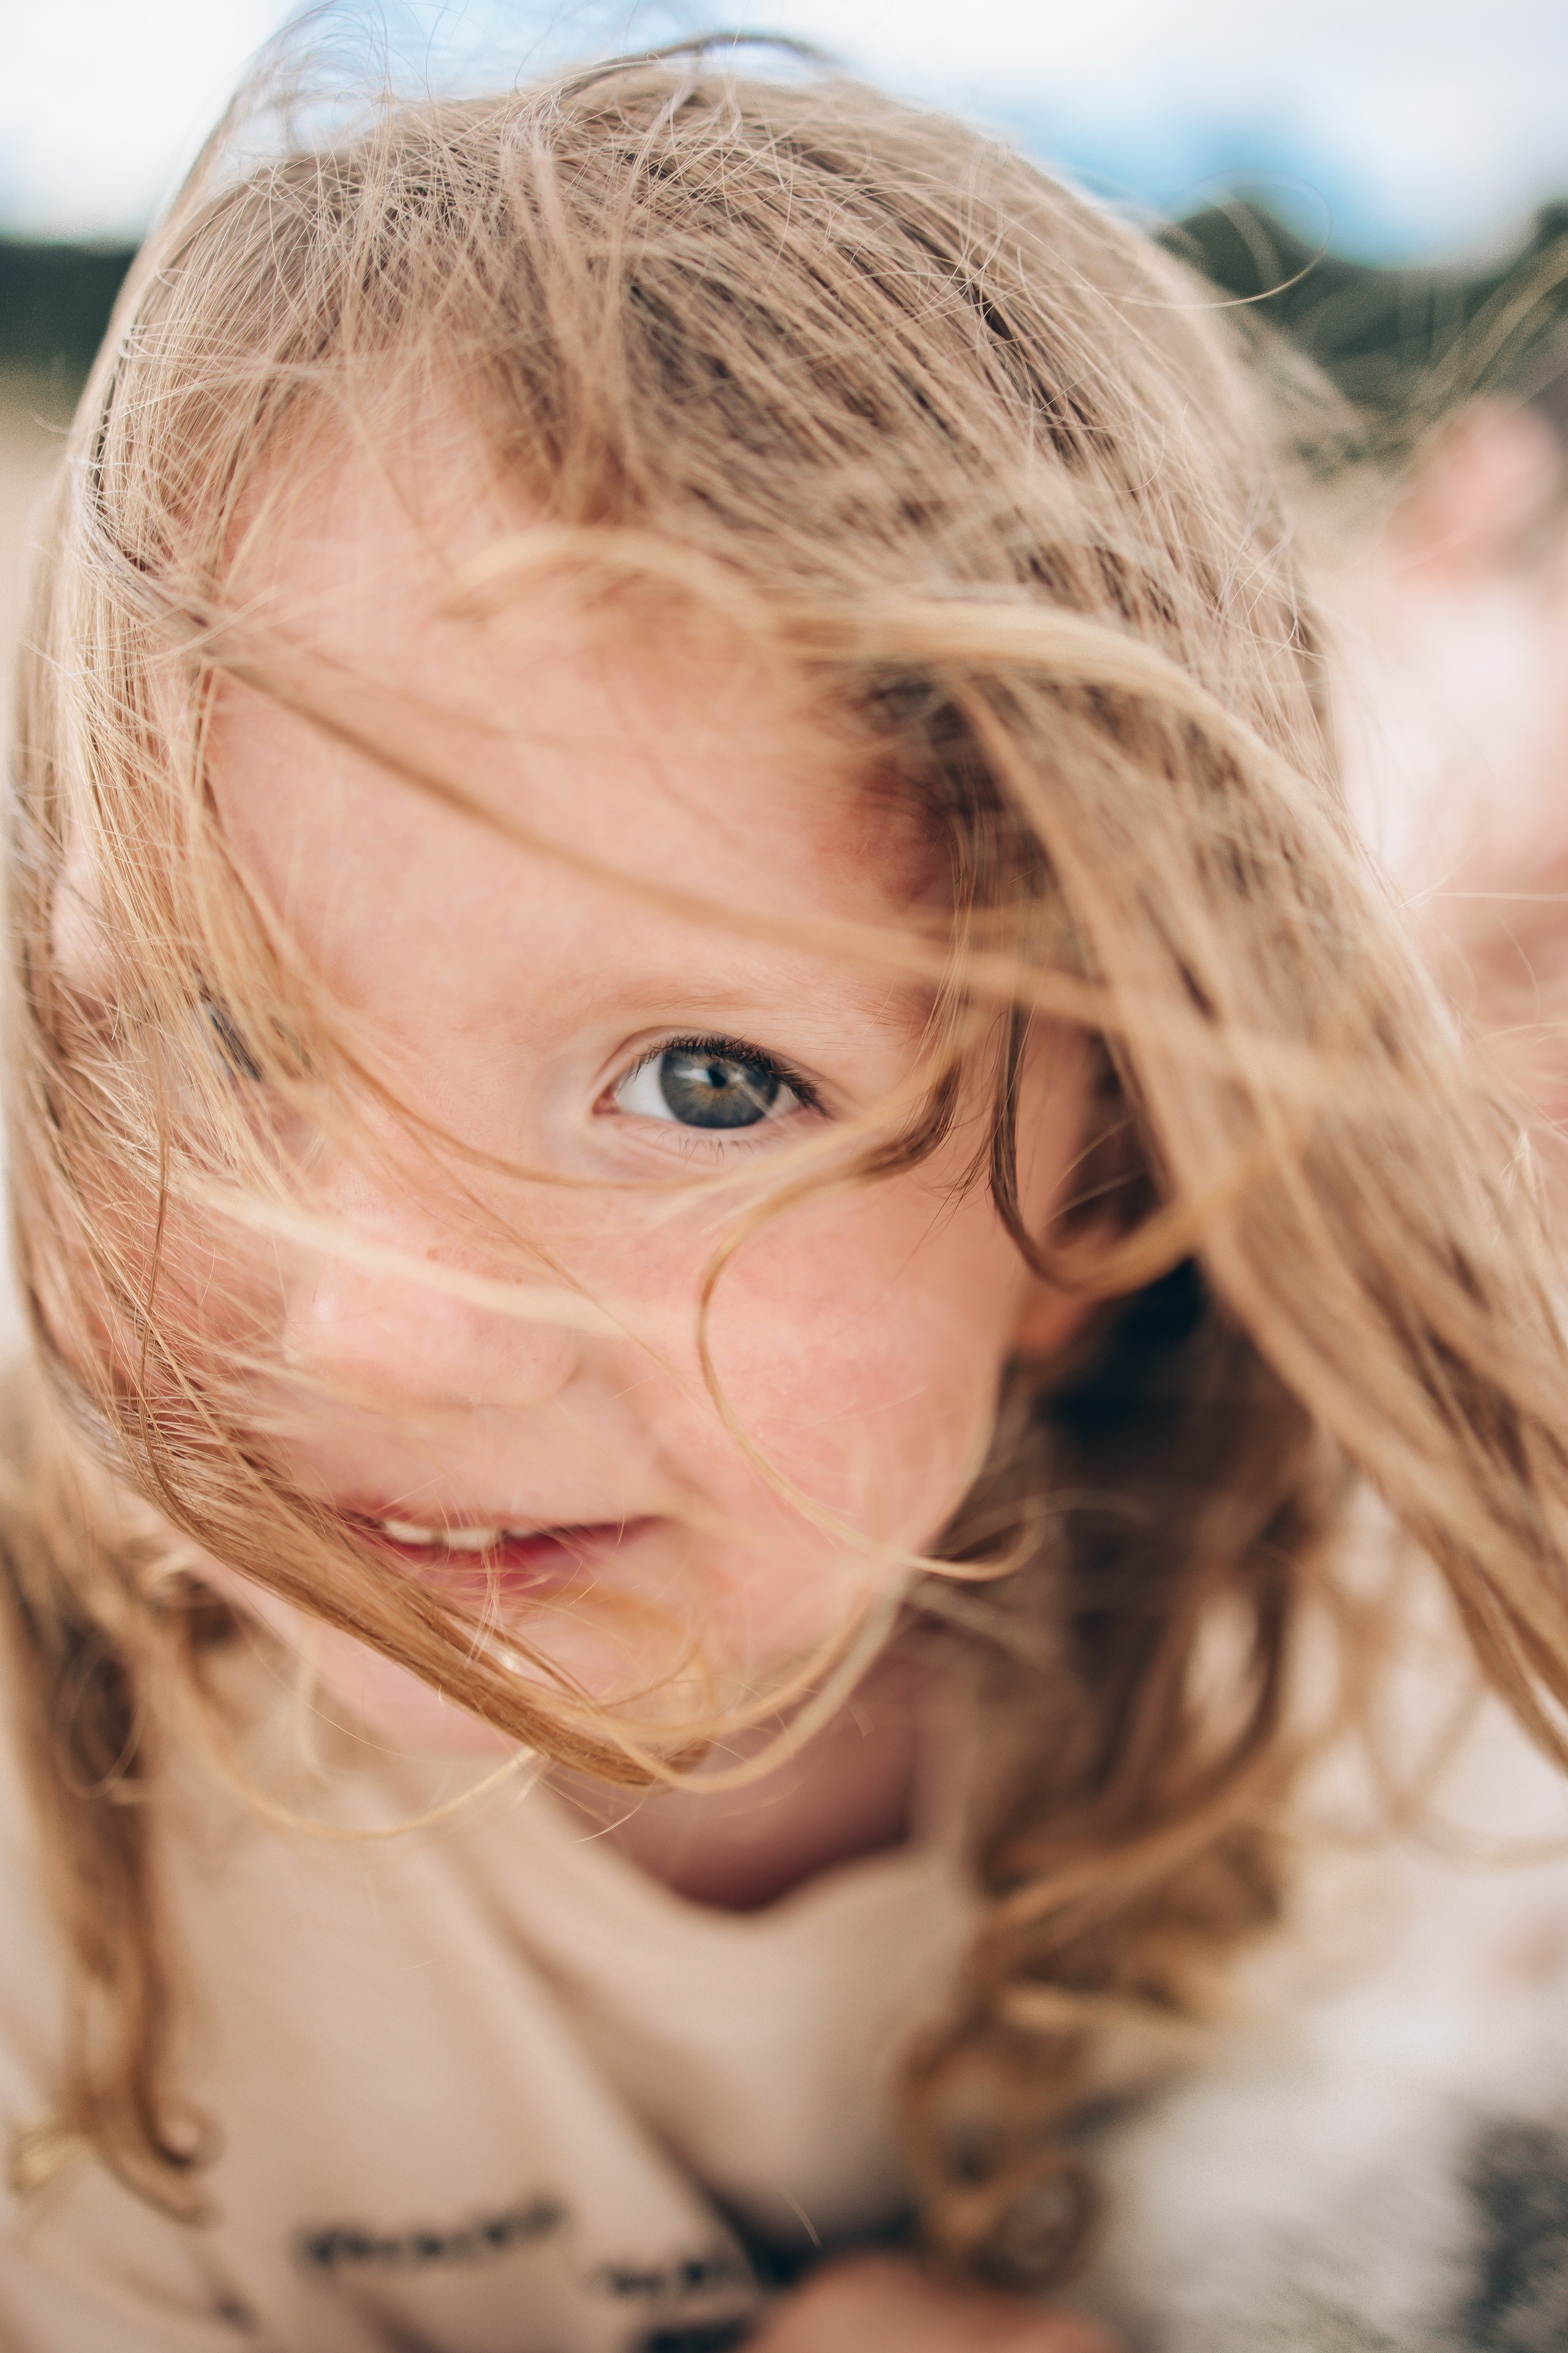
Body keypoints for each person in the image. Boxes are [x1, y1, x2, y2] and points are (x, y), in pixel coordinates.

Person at [6, 36, 1568, 2353]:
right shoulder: (53, 1818)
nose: (378, 1331)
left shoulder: (1363, 1669)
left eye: (709, 1081)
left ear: (1115, 1174)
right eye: (223, 1039)